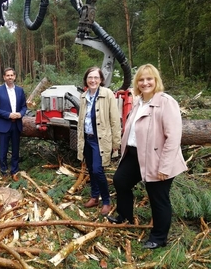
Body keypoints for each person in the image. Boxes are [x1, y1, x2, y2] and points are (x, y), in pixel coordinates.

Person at [107, 64, 187, 249]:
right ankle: (125, 217)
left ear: (156, 80)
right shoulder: (139, 102)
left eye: (149, 79)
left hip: (159, 158)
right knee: (120, 180)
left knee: (157, 196)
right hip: (136, 155)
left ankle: (159, 238)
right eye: (141, 80)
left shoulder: (166, 102)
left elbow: (173, 137)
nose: (145, 83)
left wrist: (164, 167)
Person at [77, 66, 121, 216]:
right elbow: (81, 121)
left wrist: (116, 142)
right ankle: (94, 197)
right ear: (86, 80)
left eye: (96, 77)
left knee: (98, 169)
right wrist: (80, 142)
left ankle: (106, 201)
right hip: (87, 139)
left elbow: (115, 119)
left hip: (100, 140)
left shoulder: (107, 94)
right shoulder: (83, 96)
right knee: (91, 169)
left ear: (101, 80)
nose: (93, 80)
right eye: (90, 77)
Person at [0, 67, 27, 182]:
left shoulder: (20, 90)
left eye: (12, 75)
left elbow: (24, 106)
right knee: (3, 149)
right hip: (4, 124)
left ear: (15, 77)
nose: (10, 77)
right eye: (8, 75)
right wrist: (8, 115)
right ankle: (4, 170)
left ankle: (14, 170)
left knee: (16, 149)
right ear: (4, 77)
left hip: (16, 124)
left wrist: (20, 114)